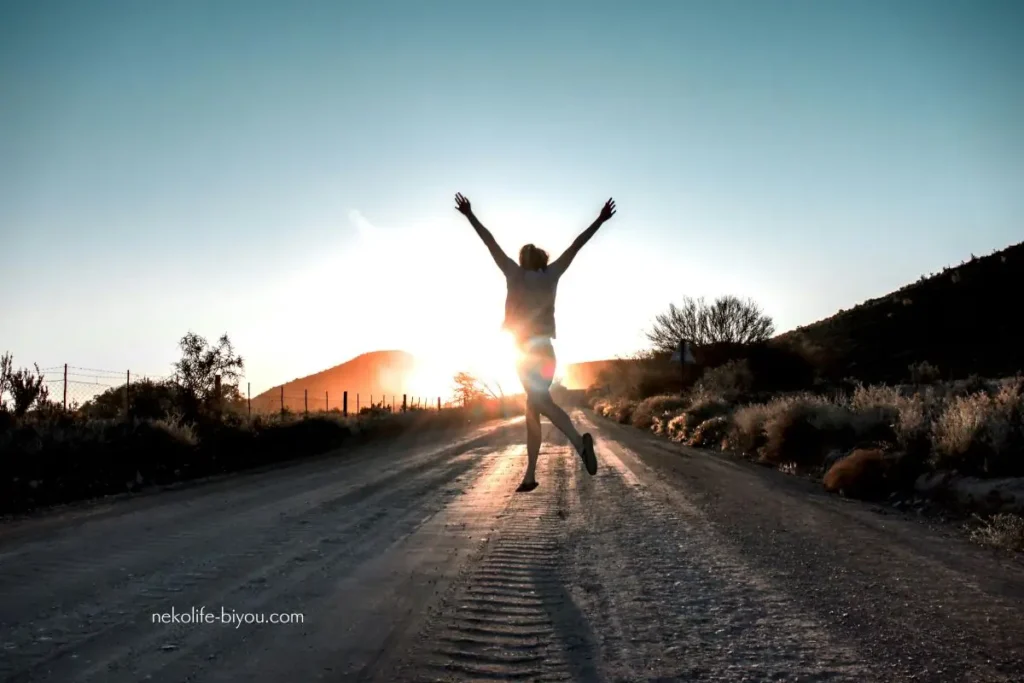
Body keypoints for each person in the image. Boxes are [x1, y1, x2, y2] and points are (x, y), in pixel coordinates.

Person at [454, 192, 616, 491]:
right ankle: (529, 474)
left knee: (540, 403)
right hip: (545, 349)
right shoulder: (551, 274)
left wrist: (470, 216)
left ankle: (580, 444)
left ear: (523, 260)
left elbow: (490, 243)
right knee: (533, 409)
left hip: (524, 352)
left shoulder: (514, 274)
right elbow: (576, 246)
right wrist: (599, 221)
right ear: (542, 258)